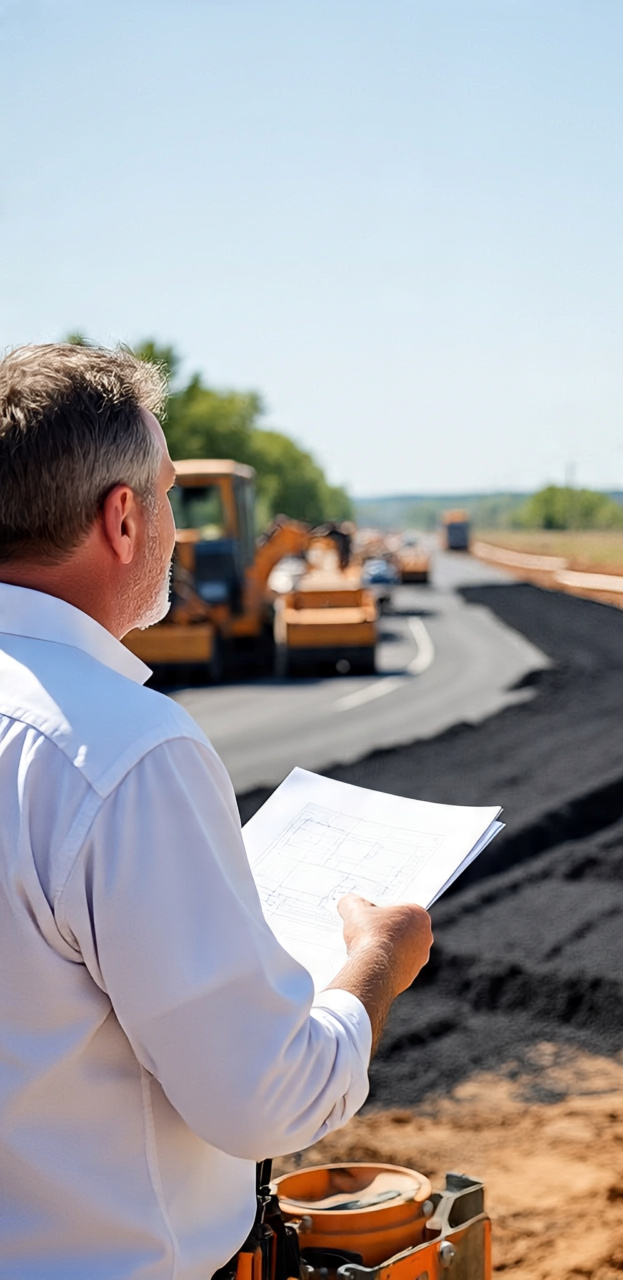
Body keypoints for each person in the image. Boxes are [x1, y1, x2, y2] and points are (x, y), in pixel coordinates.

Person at [0, 343, 434, 1278]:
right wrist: (376, 965)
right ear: (123, 519)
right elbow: (263, 1101)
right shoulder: (124, 750)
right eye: (164, 497)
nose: (175, 530)